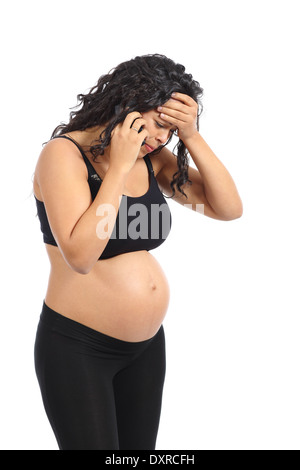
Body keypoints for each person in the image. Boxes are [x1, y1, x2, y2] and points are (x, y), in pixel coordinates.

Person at [33, 54, 243, 450]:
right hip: (79, 349)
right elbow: (80, 256)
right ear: (127, 104)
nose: (163, 140)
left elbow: (226, 208)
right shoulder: (62, 156)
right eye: (161, 125)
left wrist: (193, 137)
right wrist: (117, 166)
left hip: (145, 349)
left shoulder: (153, 161)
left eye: (172, 132)